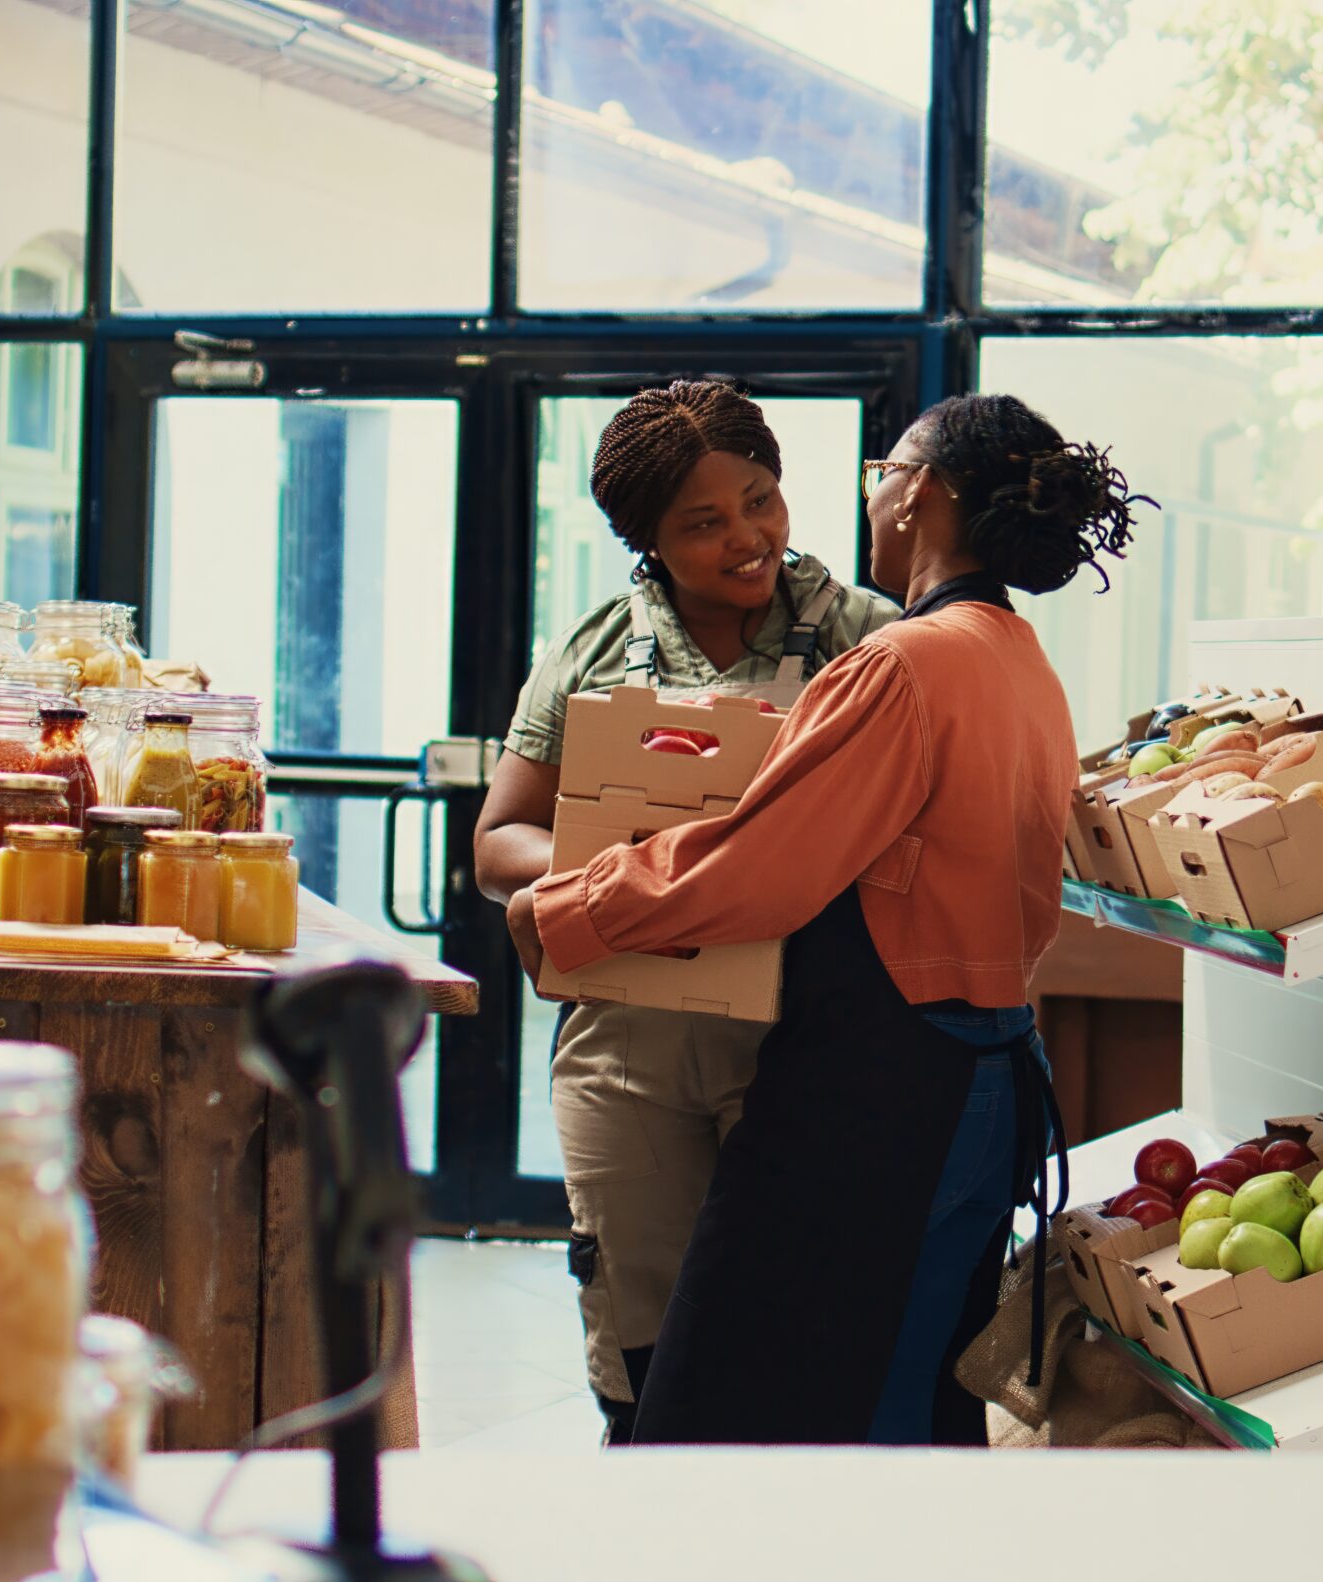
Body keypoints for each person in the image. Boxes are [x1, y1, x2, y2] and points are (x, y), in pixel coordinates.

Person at [508, 392, 1148, 1444]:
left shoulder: (898, 661)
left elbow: (764, 866)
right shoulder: (1016, 657)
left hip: (886, 1094)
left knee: (731, 1419)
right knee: (906, 1399)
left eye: (882, 470)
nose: (871, 493)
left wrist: (572, 906)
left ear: (920, 492)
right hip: (985, 1075)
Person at [473, 379, 896, 1444]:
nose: (747, 538)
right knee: (644, 1344)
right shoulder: (594, 651)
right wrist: (638, 867)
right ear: (648, 540)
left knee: (789, 1338)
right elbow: (497, 844)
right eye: (703, 524)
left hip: (807, 1042)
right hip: (629, 1052)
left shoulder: (869, 641)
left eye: (760, 499)